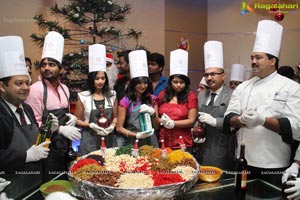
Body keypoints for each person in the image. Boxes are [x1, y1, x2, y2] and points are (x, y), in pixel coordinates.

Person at [224, 20, 300, 187]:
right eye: (252, 57)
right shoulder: (243, 87)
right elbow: (228, 117)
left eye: (259, 57)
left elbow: (296, 127)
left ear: (273, 61)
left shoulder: (291, 87)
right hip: (243, 161)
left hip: (273, 164)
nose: (253, 61)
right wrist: (241, 120)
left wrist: (262, 120)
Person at [0, 36, 56, 199]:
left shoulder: (27, 109)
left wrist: (48, 131)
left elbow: (35, 143)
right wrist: (26, 156)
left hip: (35, 184)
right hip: (11, 190)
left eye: (27, 82)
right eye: (19, 83)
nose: (26, 88)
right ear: (2, 87)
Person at [25, 31, 81, 181]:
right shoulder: (36, 90)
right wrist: (61, 129)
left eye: (52, 64)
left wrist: (71, 119)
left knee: (66, 182)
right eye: (43, 64)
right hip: (45, 150)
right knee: (50, 185)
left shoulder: (65, 89)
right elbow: (32, 124)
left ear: (61, 69)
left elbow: (65, 113)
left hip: (64, 147)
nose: (46, 68)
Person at [196, 41, 235, 171]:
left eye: (213, 74)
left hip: (223, 149)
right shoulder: (201, 95)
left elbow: (236, 123)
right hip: (202, 148)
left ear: (223, 76)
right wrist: (195, 131)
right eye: (206, 75)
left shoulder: (232, 95)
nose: (209, 78)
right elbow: (197, 119)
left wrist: (214, 121)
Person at [74, 44, 117, 155]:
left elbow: (116, 117)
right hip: (89, 139)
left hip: (109, 138)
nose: (100, 81)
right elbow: (76, 119)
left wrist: (112, 126)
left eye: (103, 78)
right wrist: (90, 125)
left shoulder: (112, 95)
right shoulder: (83, 96)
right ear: (91, 79)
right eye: (97, 78)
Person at [116, 50, 159, 147]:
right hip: (132, 141)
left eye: (145, 82)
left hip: (151, 141)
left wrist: (153, 113)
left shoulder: (152, 99)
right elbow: (119, 128)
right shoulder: (125, 101)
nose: (143, 86)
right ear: (133, 83)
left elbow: (156, 126)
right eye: (139, 83)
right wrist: (136, 135)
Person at [157, 49, 197, 150]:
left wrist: (173, 123)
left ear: (186, 83)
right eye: (175, 82)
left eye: (182, 82)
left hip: (182, 141)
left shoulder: (190, 96)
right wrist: (161, 121)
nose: (178, 85)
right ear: (170, 82)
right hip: (163, 139)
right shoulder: (163, 95)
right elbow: (156, 114)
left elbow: (191, 120)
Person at [114, 50, 131, 147]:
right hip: (120, 127)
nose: (119, 66)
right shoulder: (119, 82)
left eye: (121, 63)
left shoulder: (142, 84)